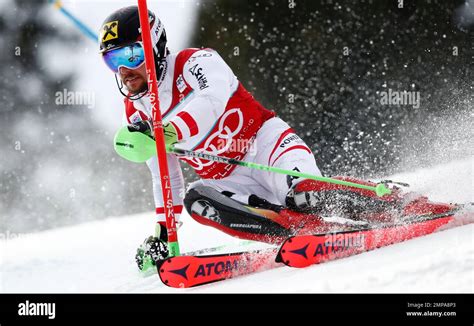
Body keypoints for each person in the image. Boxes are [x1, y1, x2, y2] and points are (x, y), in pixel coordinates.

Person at [99, 6, 404, 271]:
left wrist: (170, 130)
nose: (124, 69)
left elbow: (212, 98)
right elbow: (166, 177)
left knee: (303, 194)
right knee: (197, 200)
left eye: (132, 53)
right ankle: (297, 230)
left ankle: (394, 204)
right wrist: (165, 231)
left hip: (267, 149)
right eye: (113, 60)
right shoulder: (138, 113)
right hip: (231, 181)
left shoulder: (195, 63)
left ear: (155, 46)